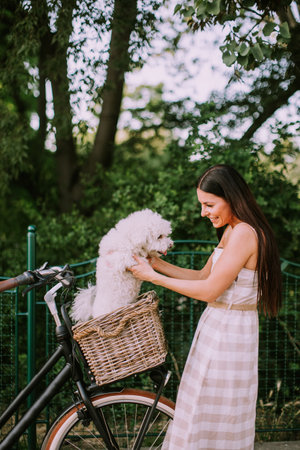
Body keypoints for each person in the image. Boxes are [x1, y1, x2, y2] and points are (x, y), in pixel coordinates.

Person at [129, 164, 282, 450]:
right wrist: (157, 264)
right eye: (202, 205)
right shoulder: (232, 231)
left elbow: (210, 290)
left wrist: (154, 278)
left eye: (209, 204)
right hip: (217, 326)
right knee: (200, 407)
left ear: (232, 198)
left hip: (230, 332)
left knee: (219, 410)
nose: (204, 212)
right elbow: (203, 276)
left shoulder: (245, 234)